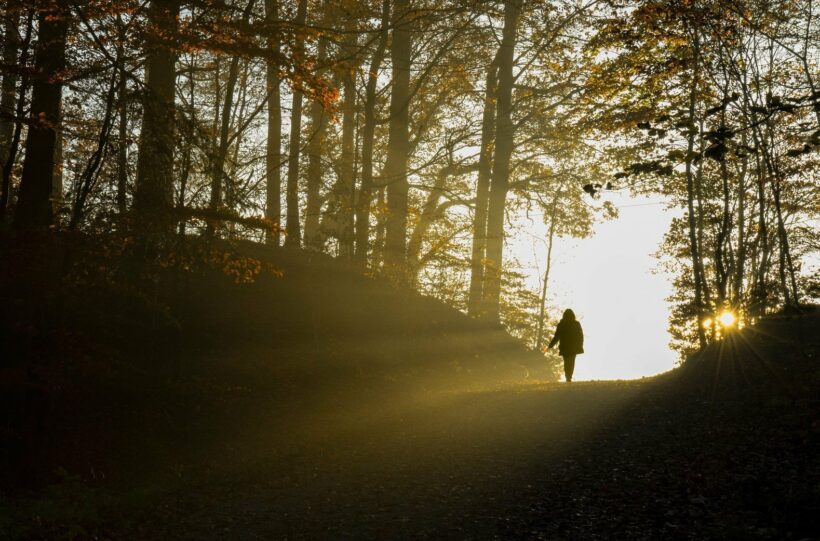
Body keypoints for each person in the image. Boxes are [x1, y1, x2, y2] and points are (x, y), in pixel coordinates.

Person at [548, 309, 584, 382]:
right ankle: (569, 377)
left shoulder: (561, 324)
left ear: (564, 315)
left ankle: (567, 376)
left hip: (564, 347)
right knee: (571, 362)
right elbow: (580, 336)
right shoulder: (576, 324)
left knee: (566, 362)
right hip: (573, 347)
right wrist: (580, 345)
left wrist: (551, 345)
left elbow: (557, 336)